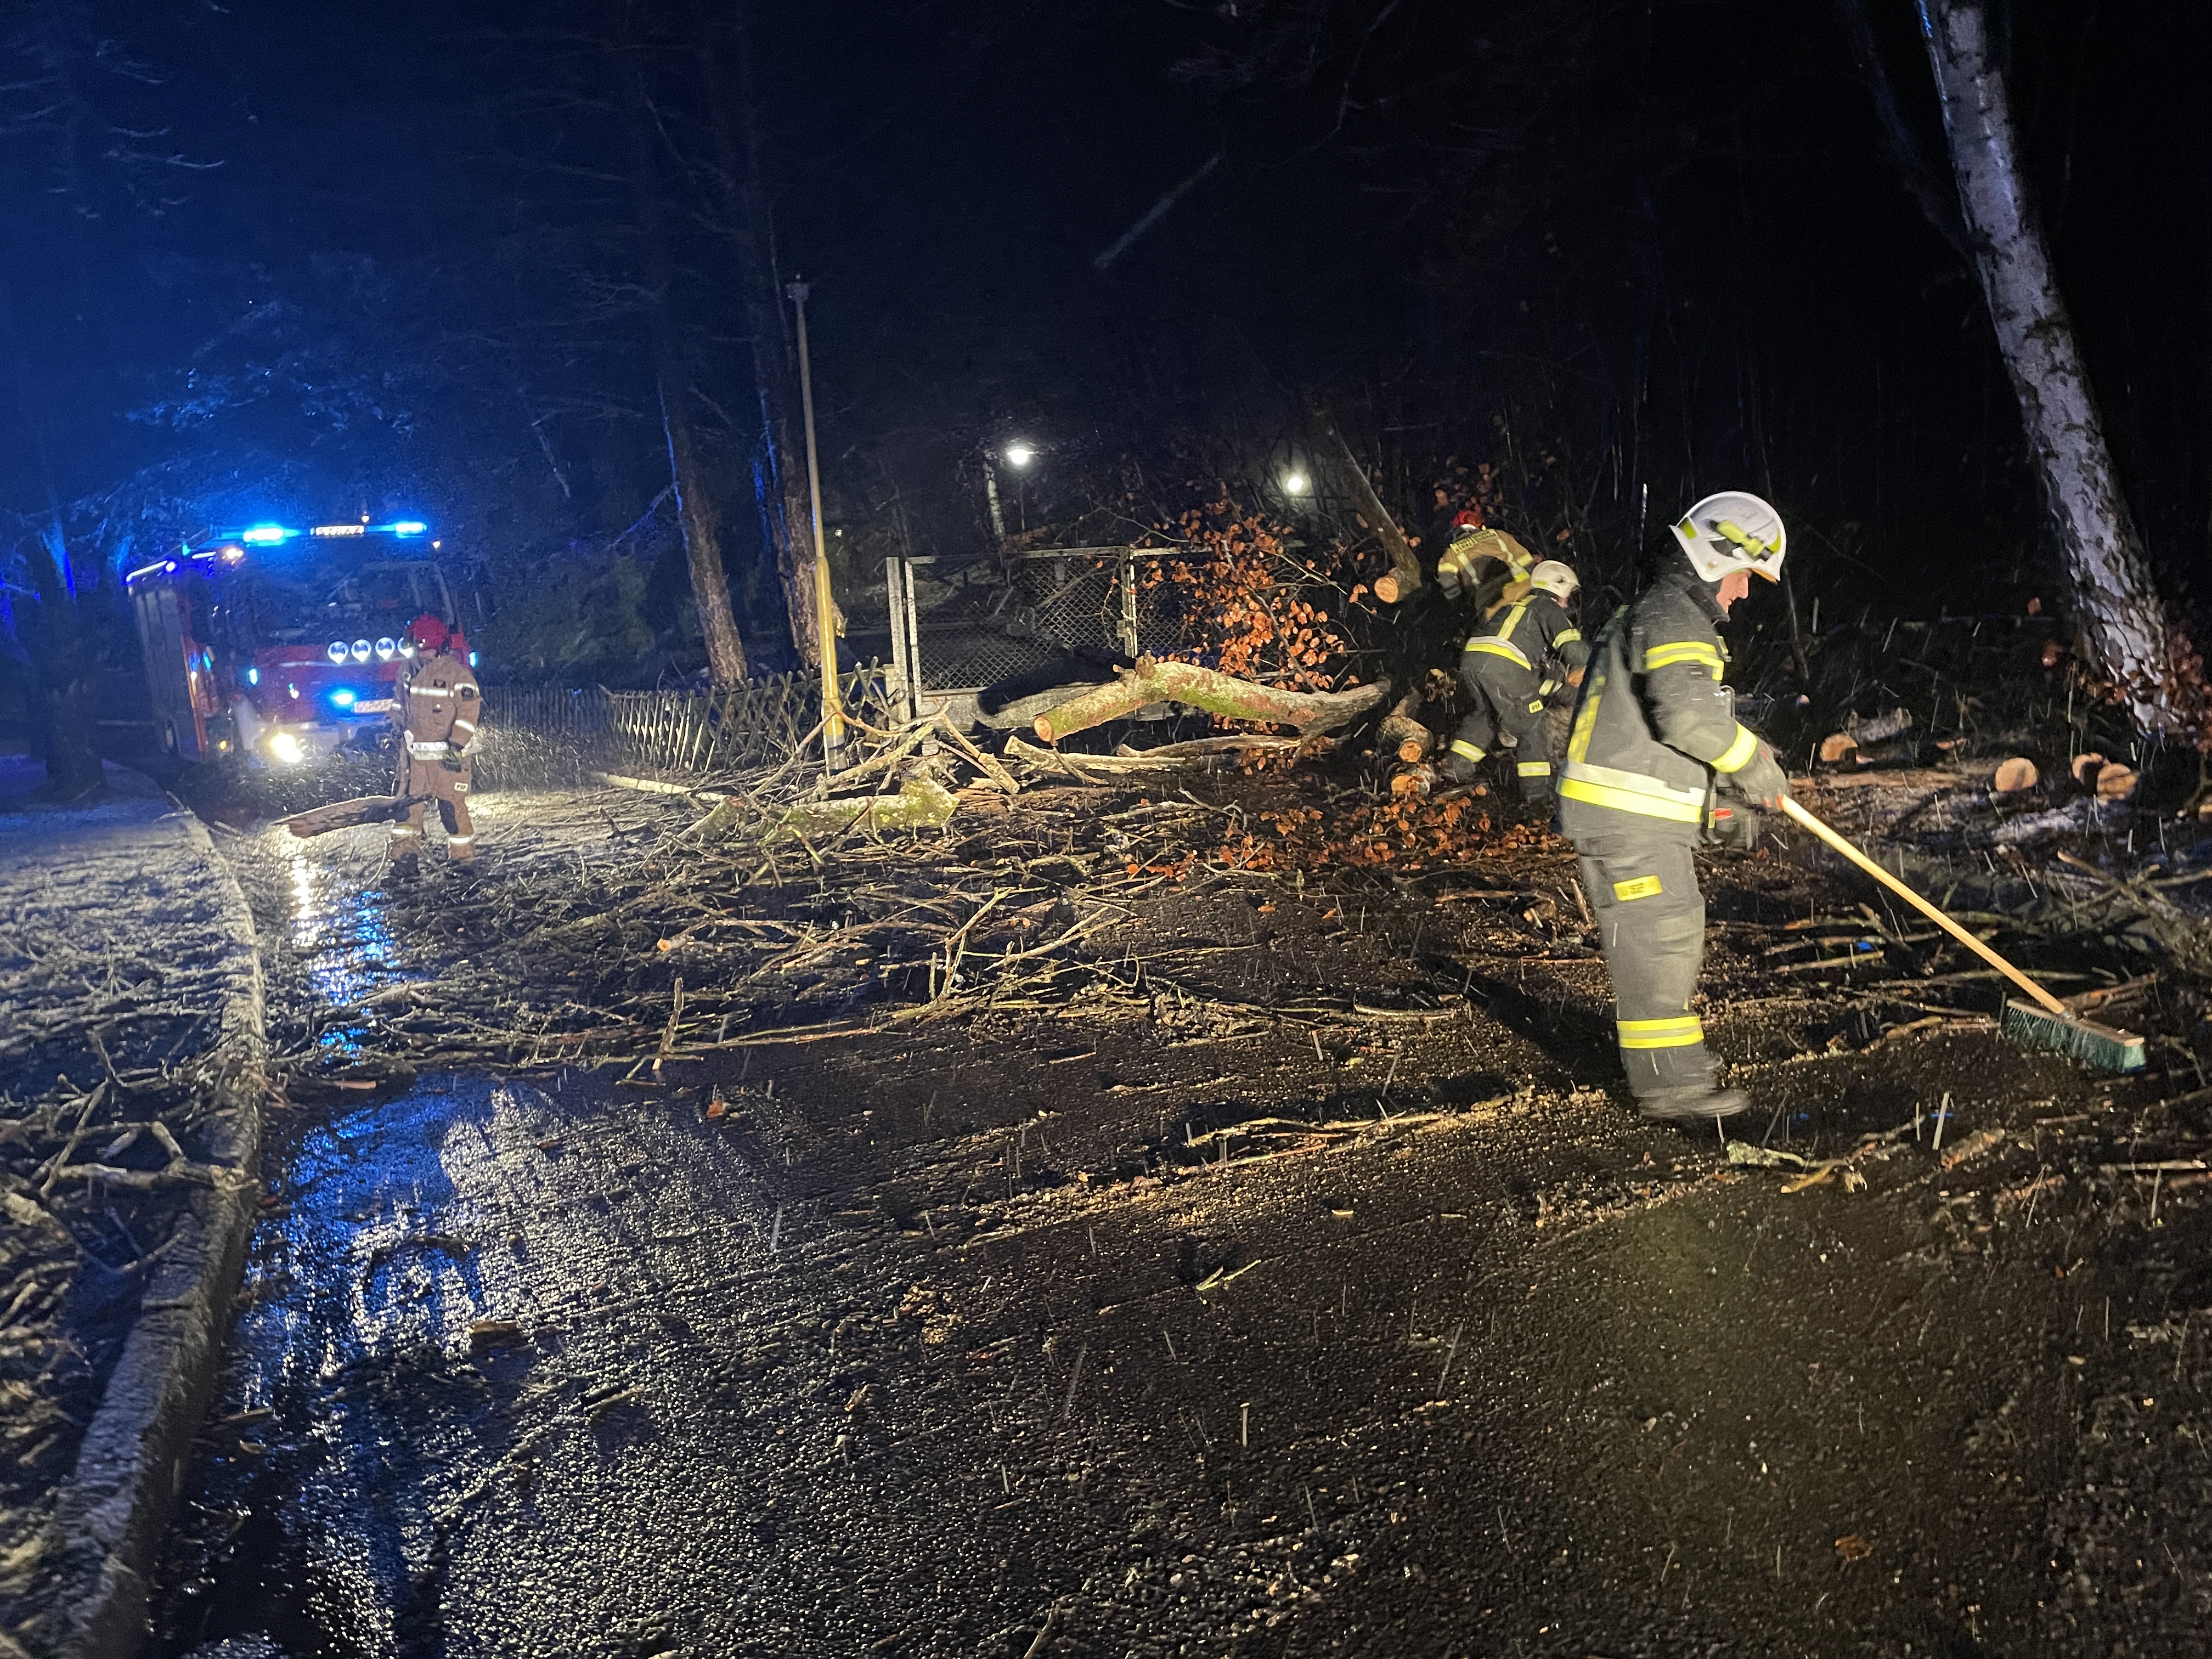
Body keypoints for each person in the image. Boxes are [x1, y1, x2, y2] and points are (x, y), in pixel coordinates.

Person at [1555, 492, 1792, 1124]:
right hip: (1624, 818)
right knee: (1661, 939)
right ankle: (1671, 1087)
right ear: (1716, 560)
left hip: (1629, 814)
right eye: (1744, 575)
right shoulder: (1674, 615)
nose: (1744, 593)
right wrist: (1753, 763)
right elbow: (1686, 718)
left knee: (1669, 931)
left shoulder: (1659, 613)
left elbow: (1664, 735)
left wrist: (1719, 807)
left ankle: (1672, 1071)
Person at [1442, 559, 1588, 806]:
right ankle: (1538, 796)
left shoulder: (1514, 607)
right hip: (1505, 664)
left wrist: (1565, 692)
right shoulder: (1547, 607)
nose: (1568, 603)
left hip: (1473, 659)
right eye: (1568, 596)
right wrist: (1591, 665)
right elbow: (1571, 644)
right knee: (1532, 725)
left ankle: (1456, 768)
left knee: (1486, 716)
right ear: (1559, 590)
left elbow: (1534, 683)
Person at [387, 614, 482, 873]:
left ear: (441, 647)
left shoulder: (457, 676)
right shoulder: (407, 671)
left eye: (427, 649)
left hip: (448, 761)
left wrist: (456, 746)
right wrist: (395, 726)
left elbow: (468, 715)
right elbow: (399, 704)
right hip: (415, 761)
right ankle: (404, 860)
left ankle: (463, 862)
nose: (422, 654)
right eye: (418, 648)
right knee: (407, 812)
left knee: (451, 811)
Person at [1434, 510, 1537, 615]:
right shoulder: (1498, 534)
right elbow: (1526, 560)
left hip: (1494, 603)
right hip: (1526, 589)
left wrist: (1462, 606)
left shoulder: (1453, 552)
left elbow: (1448, 581)